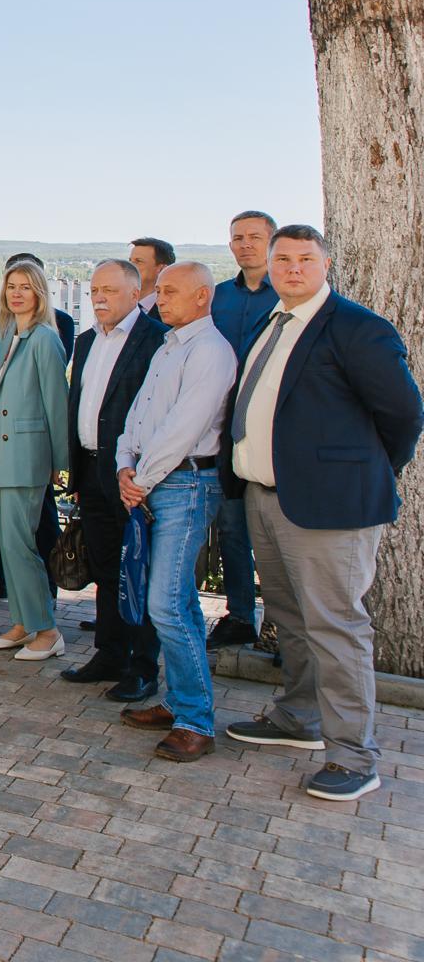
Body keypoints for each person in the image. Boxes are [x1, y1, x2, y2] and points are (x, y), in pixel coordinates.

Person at [221, 225, 423, 801]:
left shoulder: (356, 327)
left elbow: (404, 416)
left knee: (336, 628)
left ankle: (354, 756)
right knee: (290, 617)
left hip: (331, 508)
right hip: (265, 497)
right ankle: (299, 717)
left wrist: (356, 472)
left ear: (325, 265)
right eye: (282, 258)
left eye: (304, 259)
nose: (292, 268)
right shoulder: (272, 323)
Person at [114, 262, 237, 764]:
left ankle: (196, 722)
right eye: (159, 291)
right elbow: (139, 415)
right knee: (176, 602)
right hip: (153, 480)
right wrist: (125, 462)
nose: (159, 298)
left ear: (202, 296)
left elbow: (184, 428)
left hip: (185, 484)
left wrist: (139, 479)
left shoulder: (210, 351)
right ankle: (180, 702)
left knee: (166, 604)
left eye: (169, 291)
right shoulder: (170, 345)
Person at [61, 259, 166, 700]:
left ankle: (142, 668)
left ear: (135, 293)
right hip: (90, 471)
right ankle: (109, 654)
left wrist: (143, 472)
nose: (99, 298)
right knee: (105, 568)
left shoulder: (156, 339)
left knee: (137, 572)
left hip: (133, 477)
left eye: (109, 290)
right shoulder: (86, 340)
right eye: (94, 290)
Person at [0, 252, 76, 601]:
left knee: (29, 538)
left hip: (28, 450)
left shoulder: (50, 333)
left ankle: (43, 610)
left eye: (26, 286)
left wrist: (60, 462)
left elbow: (54, 399)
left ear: (40, 288)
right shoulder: (1, 328)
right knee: (9, 540)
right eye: (11, 285)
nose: (17, 293)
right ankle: (21, 613)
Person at [207, 209, 279, 651]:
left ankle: (282, 627)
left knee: (279, 536)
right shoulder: (217, 297)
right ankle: (239, 616)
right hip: (223, 428)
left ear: (272, 241)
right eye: (238, 237)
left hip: (272, 430)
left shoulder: (287, 295)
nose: (245, 244)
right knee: (232, 528)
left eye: (255, 236)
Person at [130, 236, 176, 314]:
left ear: (162, 269)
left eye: (138, 261)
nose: (129, 266)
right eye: (130, 261)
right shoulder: (118, 304)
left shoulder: (174, 312)